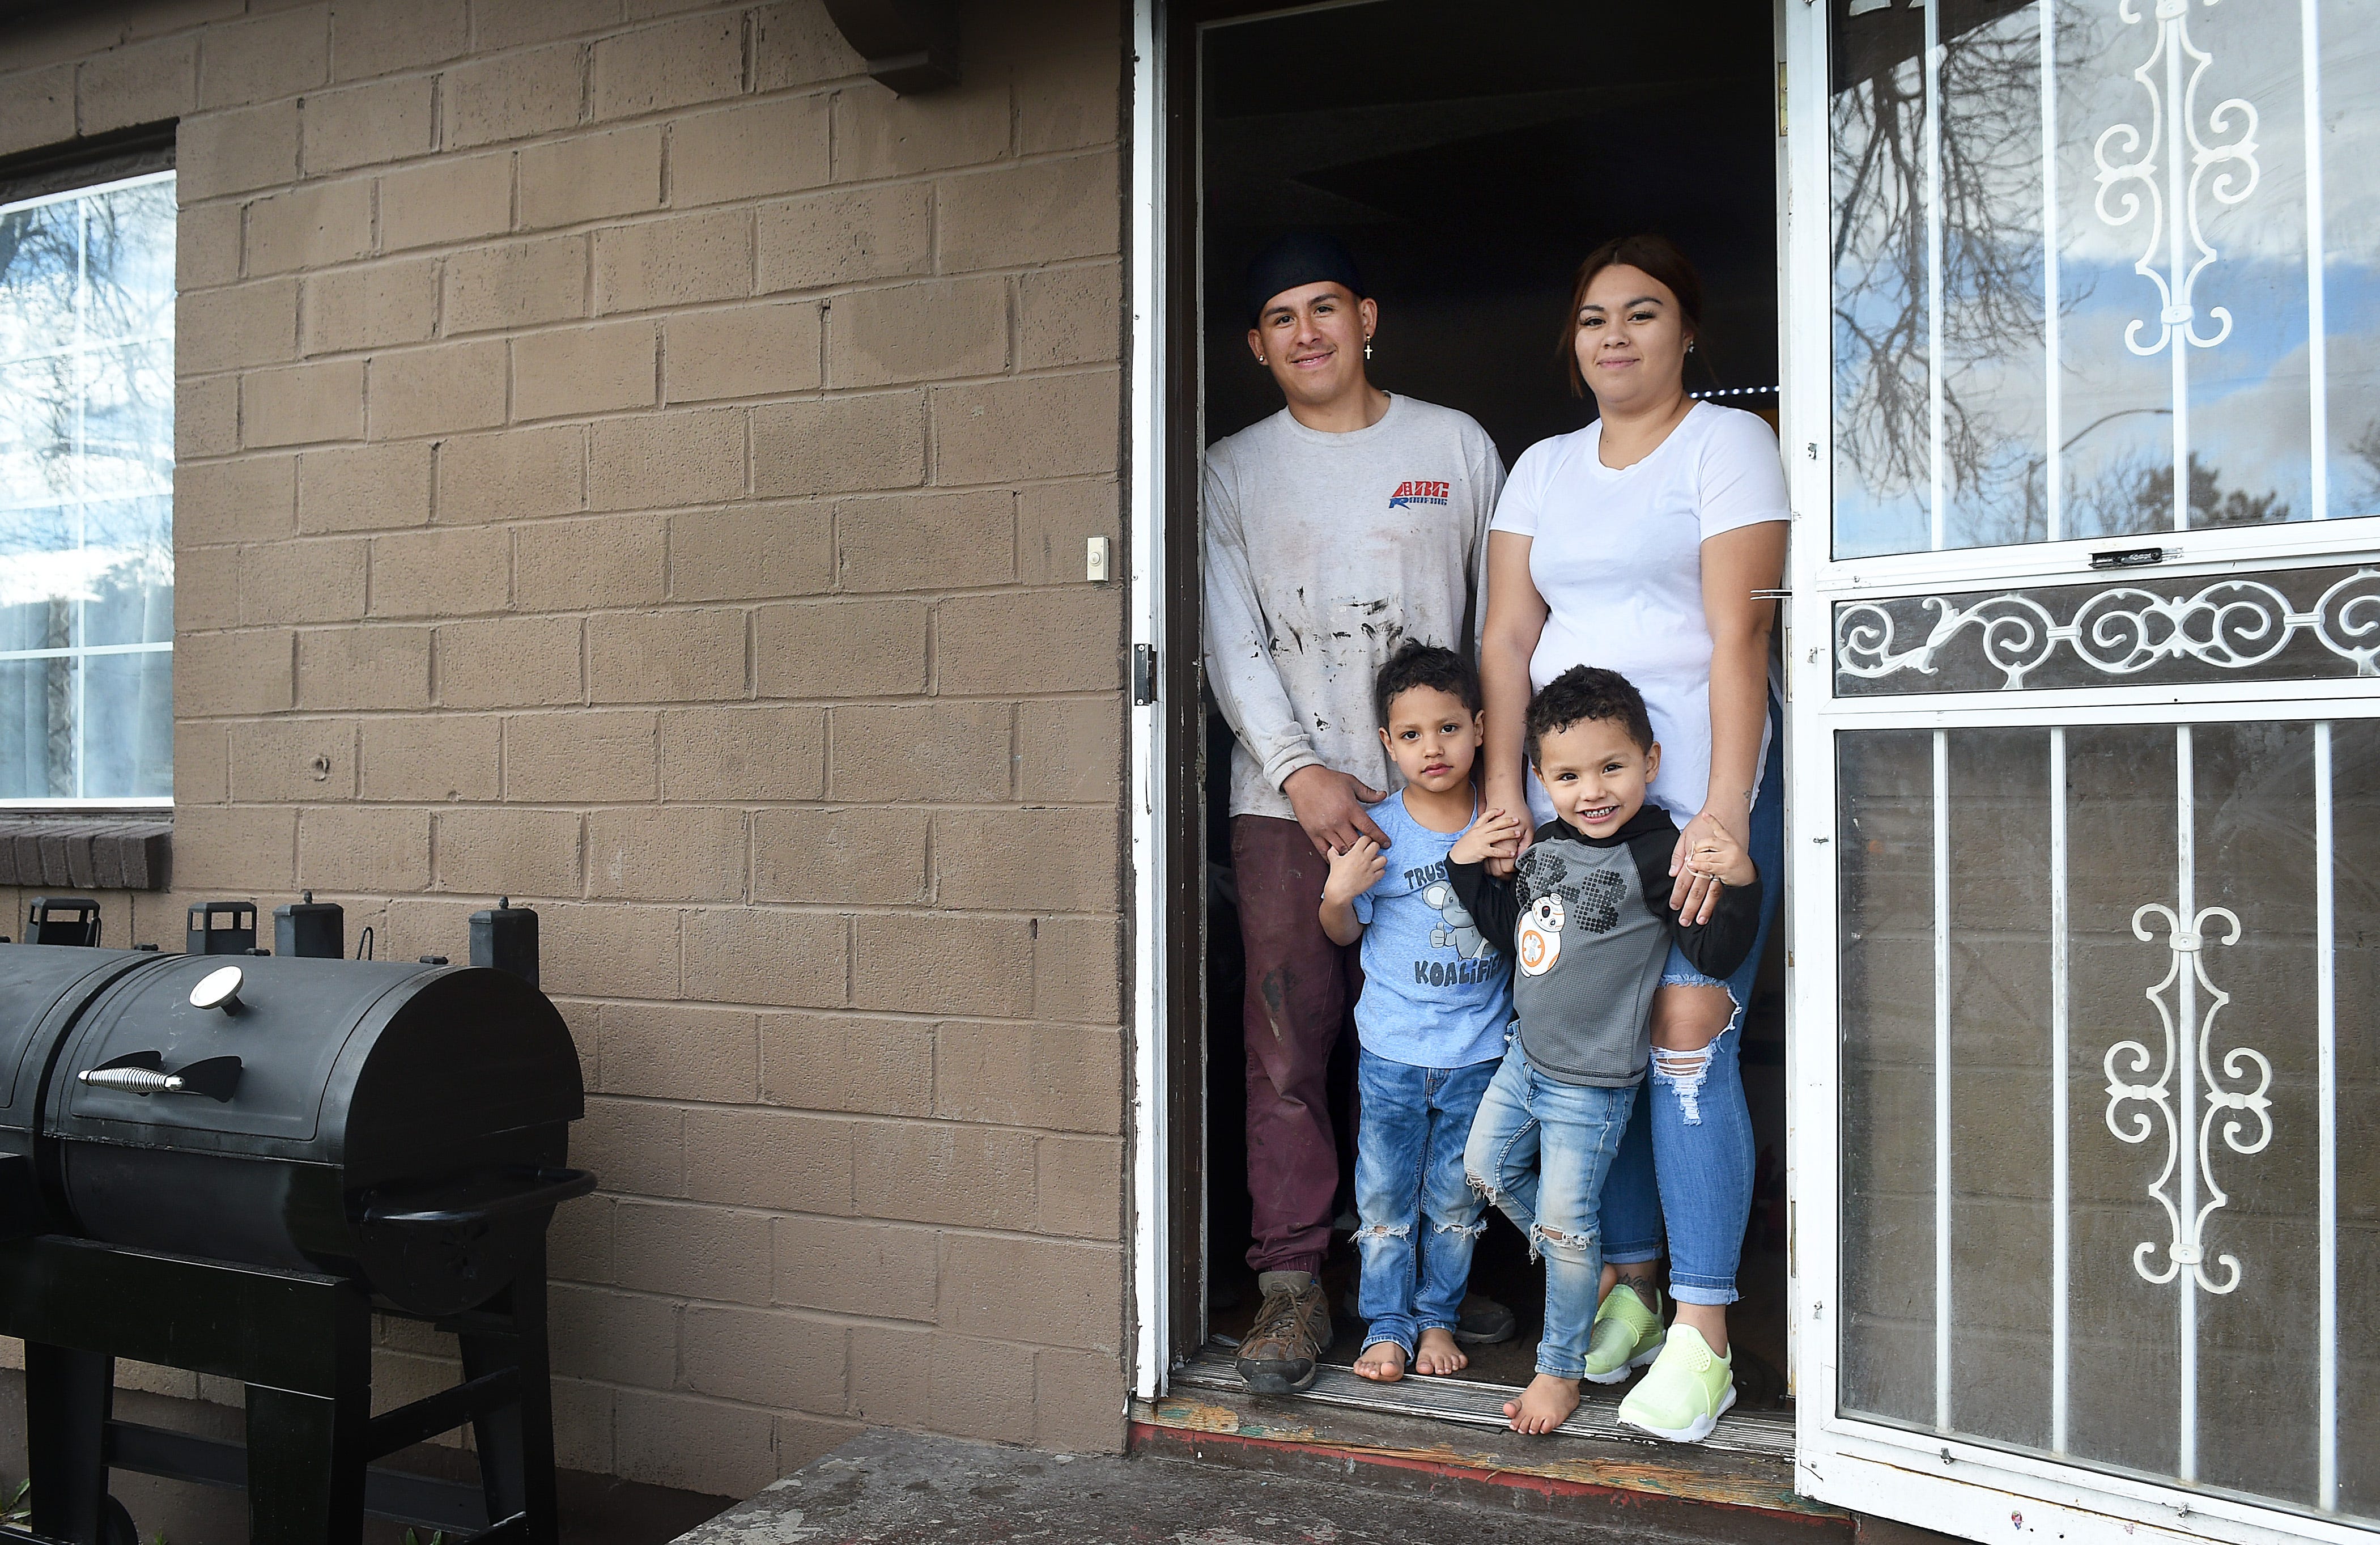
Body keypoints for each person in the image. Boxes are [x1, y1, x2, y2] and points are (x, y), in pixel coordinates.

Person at [1476, 234, 1790, 1442]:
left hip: (1701, 796)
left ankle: (1705, 1333)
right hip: (1575, 814)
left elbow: (1739, 638)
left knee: (1685, 1034)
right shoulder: (1543, 468)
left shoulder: (1730, 444)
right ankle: (1629, 1286)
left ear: (1686, 331)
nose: (1616, 335)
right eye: (1596, 316)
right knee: (1586, 1038)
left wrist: (1722, 811)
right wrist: (1511, 794)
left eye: (1644, 314)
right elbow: (1507, 639)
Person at [1205, 232, 1507, 1393]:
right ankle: (1292, 1287)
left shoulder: (1454, 445)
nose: (1307, 333)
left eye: (1324, 307)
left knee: (1457, 1036)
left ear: (1367, 314)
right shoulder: (1232, 468)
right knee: (1295, 1045)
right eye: (1281, 318)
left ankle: (1437, 1271)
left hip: (1446, 798)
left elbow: (1498, 623)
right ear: (1256, 344)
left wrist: (1493, 778)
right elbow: (1225, 634)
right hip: (1289, 808)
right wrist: (1297, 768)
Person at [1447, 667, 1762, 1437]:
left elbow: (1713, 951)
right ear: (1541, 778)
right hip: (1526, 1060)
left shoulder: (1660, 853)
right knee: (1485, 1168)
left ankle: (1558, 1372)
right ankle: (1591, 1261)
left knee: (1563, 1225)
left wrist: (1742, 880)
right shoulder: (1549, 844)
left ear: (1651, 761)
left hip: (1591, 1084)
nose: (1592, 790)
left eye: (1611, 767)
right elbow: (1515, 937)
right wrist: (1463, 866)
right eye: (1567, 774)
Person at [1316, 643, 1513, 1384]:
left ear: (1482, 727)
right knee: (1385, 1199)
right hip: (1394, 1051)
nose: (1432, 747)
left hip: (1477, 1050)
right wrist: (1337, 895)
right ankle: (1388, 1324)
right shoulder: (1380, 831)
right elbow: (1345, 929)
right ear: (1386, 744)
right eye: (1412, 734)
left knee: (1458, 1203)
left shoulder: (1503, 822)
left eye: (1449, 728)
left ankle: (1438, 1317)